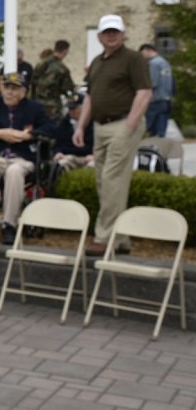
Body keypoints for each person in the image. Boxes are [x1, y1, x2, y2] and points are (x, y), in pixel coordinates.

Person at [74, 15, 152, 256]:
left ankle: (104, 237)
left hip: (122, 123)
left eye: (115, 31)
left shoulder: (133, 59)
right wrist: (80, 126)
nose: (111, 35)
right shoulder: (97, 61)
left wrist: (130, 123)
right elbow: (90, 97)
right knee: (105, 182)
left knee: (112, 180)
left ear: (123, 34)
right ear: (99, 36)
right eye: (107, 32)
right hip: (100, 126)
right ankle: (121, 238)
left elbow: (145, 92)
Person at [0, 72, 56, 245]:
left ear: (24, 92)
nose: (9, 92)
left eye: (14, 89)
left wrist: (29, 136)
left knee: (14, 172)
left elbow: (52, 128)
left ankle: (10, 224)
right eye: (6, 87)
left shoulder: (34, 108)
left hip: (22, 158)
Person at [31, 39, 76, 119]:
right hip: (53, 106)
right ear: (65, 51)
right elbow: (68, 89)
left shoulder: (41, 63)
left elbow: (32, 81)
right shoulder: (62, 69)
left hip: (37, 104)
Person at [139, 43, 174, 137]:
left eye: (142, 54)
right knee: (161, 128)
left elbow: (152, 82)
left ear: (147, 51)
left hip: (155, 99)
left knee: (150, 127)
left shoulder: (153, 64)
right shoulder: (164, 62)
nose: (143, 57)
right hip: (165, 98)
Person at [52, 97, 94, 172]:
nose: (71, 112)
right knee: (61, 165)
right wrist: (58, 153)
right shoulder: (64, 124)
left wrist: (95, 155)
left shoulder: (94, 124)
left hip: (89, 156)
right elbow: (58, 144)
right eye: (70, 109)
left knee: (93, 166)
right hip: (70, 156)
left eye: (74, 109)